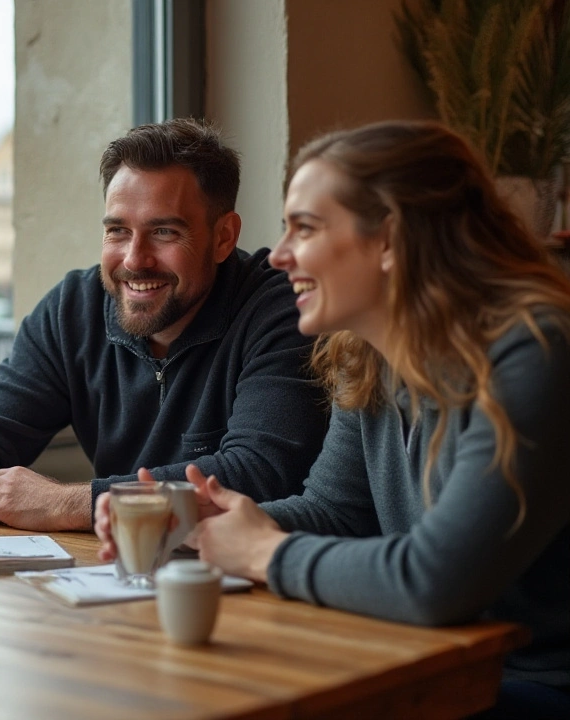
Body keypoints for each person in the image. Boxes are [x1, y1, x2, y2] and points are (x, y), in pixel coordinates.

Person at [96, 120, 570, 717]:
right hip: (430, 658)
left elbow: (434, 582)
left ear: (391, 239)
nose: (280, 254)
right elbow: (335, 512)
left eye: (307, 228)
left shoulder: (537, 354)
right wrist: (193, 523)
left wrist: (261, 553)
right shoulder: (366, 354)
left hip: (532, 684)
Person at [0, 118, 327, 546]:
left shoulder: (282, 307)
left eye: (164, 233)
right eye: (117, 231)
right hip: (125, 577)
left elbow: (258, 473)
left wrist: (71, 503)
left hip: (254, 590)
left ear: (224, 237)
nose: (134, 260)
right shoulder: (74, 308)